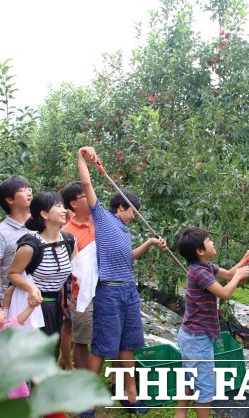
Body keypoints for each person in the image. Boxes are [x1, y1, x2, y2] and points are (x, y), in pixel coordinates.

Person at [78, 146, 167, 414]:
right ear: (121, 208)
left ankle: (131, 396)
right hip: (110, 293)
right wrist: (81, 157)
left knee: (128, 345)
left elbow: (128, 257)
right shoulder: (103, 218)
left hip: (129, 292)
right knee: (102, 348)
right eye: (132, 212)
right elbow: (86, 183)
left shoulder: (124, 231)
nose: (133, 217)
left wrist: (149, 243)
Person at [175, 227, 249, 418]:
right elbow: (225, 292)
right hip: (197, 339)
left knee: (191, 379)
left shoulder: (206, 267)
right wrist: (239, 276)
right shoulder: (199, 272)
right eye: (209, 240)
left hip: (193, 335)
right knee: (204, 387)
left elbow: (228, 274)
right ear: (200, 251)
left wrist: (245, 258)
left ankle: (180, 414)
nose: (212, 242)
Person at [7, 192, 76, 357]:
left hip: (55, 306)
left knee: (50, 355)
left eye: (63, 206)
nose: (64, 210)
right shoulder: (31, 246)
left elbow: (76, 269)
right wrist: (30, 288)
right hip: (32, 307)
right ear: (44, 214)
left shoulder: (68, 241)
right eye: (58, 206)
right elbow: (13, 274)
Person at [61, 181, 96, 371]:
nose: (91, 197)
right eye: (85, 195)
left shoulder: (99, 222)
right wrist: (64, 297)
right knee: (81, 339)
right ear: (73, 203)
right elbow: (65, 269)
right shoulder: (66, 233)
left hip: (105, 290)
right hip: (81, 294)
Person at [0, 176, 32, 302]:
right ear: (10, 200)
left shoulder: (43, 224)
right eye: (23, 190)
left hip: (43, 297)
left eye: (29, 189)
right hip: (11, 299)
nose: (29, 193)